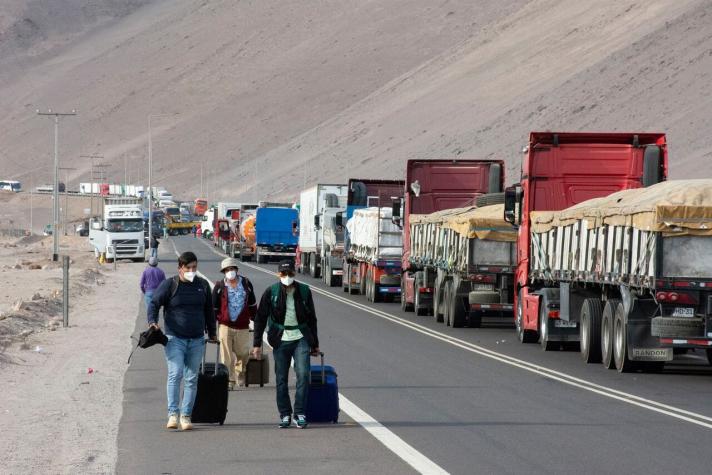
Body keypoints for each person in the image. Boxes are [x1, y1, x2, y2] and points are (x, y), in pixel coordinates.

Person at [147, 251, 216, 431]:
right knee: (175, 373)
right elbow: (154, 303)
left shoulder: (202, 286)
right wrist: (152, 322)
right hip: (174, 338)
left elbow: (209, 310)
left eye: (194, 267)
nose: (192, 271)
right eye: (188, 268)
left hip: (196, 339)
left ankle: (186, 416)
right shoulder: (170, 285)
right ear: (180, 269)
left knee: (192, 378)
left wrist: (213, 332)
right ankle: (173, 414)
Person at [252, 260, 319, 429]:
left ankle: (300, 413)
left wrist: (315, 344)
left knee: (303, 374)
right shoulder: (271, 292)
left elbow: (312, 318)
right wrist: (257, 344)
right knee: (281, 379)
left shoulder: (304, 291)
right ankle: (285, 414)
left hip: (300, 337)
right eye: (284, 274)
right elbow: (260, 318)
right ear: (278, 274)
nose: (287, 277)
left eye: (290, 274)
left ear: (294, 274)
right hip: (280, 339)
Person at [212, 258, 257, 390]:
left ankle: (240, 371)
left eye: (232, 269)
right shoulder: (219, 287)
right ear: (223, 272)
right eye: (227, 270)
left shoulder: (246, 284)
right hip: (225, 325)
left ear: (236, 270)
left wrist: (257, 321)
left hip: (242, 325)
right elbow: (214, 308)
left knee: (243, 353)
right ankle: (229, 380)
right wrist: (211, 328)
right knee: (226, 357)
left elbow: (252, 304)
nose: (230, 271)